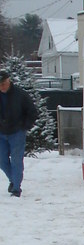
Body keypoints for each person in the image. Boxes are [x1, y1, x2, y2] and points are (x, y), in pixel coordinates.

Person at [0, 69, 38, 197]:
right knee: (2, 160)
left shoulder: (20, 95)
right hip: (1, 133)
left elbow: (32, 111)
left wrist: (25, 126)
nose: (2, 87)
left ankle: (16, 188)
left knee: (16, 160)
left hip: (17, 132)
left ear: (8, 81)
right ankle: (13, 180)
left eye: (3, 83)